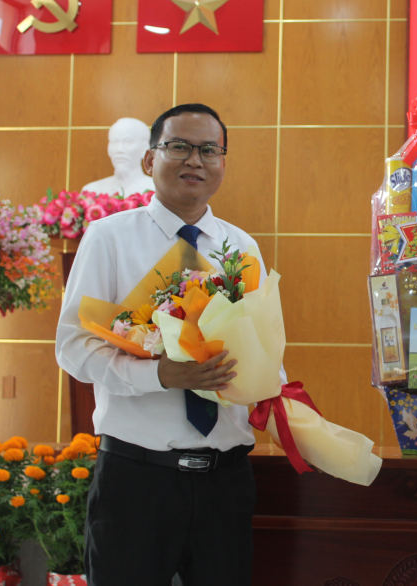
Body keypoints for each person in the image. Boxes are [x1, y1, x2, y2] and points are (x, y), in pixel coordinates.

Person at [56, 103, 281, 586]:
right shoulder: (109, 238)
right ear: (149, 159)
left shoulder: (242, 247)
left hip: (225, 481)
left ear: (223, 162)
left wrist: (274, 394)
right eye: (179, 146)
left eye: (209, 150)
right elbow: (73, 347)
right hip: (137, 479)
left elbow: (263, 346)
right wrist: (158, 374)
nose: (195, 160)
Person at [81, 117, 157, 197]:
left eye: (128, 141)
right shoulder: (91, 191)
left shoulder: (156, 190)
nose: (119, 149)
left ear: (144, 148)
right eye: (114, 141)